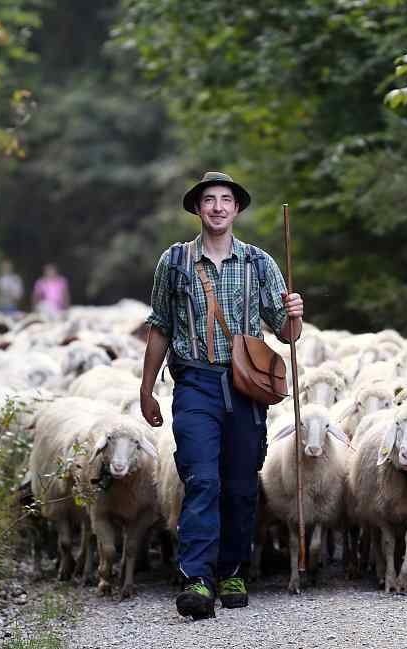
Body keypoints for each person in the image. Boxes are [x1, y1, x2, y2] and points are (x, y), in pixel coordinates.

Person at [140, 171, 303, 620]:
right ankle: (197, 577)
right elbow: (160, 327)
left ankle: (233, 568)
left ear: (236, 209)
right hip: (194, 382)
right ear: (197, 208)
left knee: (239, 482)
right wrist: (147, 389)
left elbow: (287, 334)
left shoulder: (259, 263)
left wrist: (295, 313)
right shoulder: (174, 263)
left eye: (225, 200)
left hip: (245, 385)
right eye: (208, 200)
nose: (216, 207)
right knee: (201, 479)